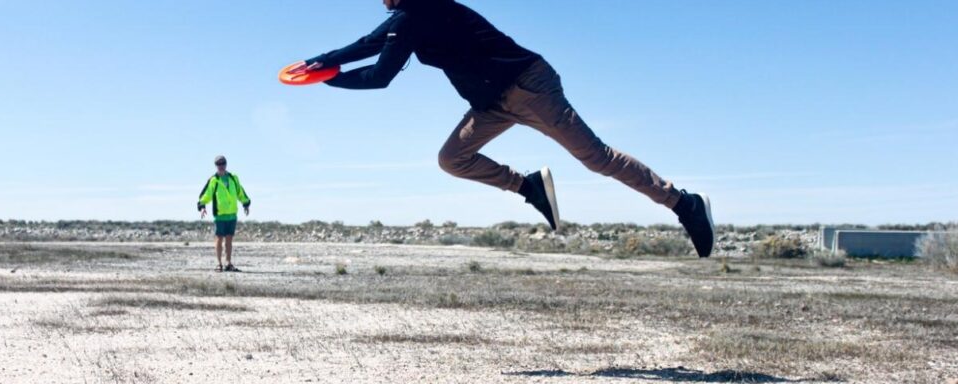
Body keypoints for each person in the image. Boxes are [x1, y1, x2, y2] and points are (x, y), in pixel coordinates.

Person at [291, 0, 715, 257]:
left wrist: (329, 77)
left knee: (596, 159)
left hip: (530, 86)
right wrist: (322, 61)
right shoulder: (409, 16)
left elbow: (380, 74)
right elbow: (369, 42)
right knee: (452, 158)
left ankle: (683, 204)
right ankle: (528, 187)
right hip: (491, 104)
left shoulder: (421, 11)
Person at [197, 155, 252, 271]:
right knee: (219, 239)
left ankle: (228, 263)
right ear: (216, 166)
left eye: (223, 164)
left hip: (232, 214)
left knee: (229, 240)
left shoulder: (233, 178)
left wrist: (246, 203)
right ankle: (219, 263)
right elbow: (207, 194)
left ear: (226, 164)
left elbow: (240, 192)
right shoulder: (214, 180)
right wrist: (202, 205)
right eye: (218, 164)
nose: (221, 166)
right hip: (219, 215)